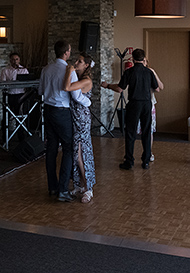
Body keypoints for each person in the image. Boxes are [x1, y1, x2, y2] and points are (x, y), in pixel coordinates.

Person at [39, 40, 85, 202]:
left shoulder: (46, 69)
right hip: (62, 112)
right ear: (66, 53)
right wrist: (87, 102)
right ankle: (63, 189)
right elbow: (75, 95)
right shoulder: (69, 70)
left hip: (48, 110)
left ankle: (52, 186)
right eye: (69, 50)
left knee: (51, 149)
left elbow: (41, 91)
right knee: (69, 148)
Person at [101, 48, 162, 170]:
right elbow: (157, 88)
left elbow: (120, 89)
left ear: (133, 59)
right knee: (146, 132)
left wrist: (108, 86)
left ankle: (129, 161)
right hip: (147, 104)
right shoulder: (149, 72)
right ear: (143, 59)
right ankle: (146, 161)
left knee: (130, 133)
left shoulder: (129, 72)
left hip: (134, 104)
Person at [63, 52, 96, 203]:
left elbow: (67, 87)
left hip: (82, 119)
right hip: (74, 117)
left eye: (80, 61)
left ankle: (88, 188)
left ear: (86, 65)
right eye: (76, 60)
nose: (76, 63)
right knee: (75, 152)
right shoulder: (79, 78)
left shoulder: (86, 80)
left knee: (80, 154)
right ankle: (80, 185)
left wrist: (69, 71)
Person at [0, 52, 29, 143]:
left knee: (20, 116)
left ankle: (21, 137)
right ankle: (5, 138)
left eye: (16, 59)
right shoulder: (6, 70)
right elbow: (2, 83)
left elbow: (27, 82)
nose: (15, 61)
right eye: (13, 59)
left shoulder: (24, 70)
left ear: (19, 60)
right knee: (6, 116)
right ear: (10, 60)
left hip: (21, 95)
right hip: (9, 95)